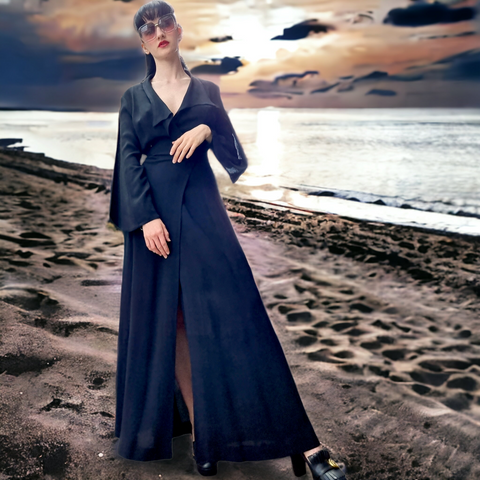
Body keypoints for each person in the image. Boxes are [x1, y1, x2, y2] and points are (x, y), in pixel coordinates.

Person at [108, 1, 347, 479]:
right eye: (147, 27)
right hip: (153, 220)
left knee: (242, 315)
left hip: (202, 210)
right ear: (141, 41)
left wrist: (206, 125)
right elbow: (127, 160)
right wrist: (145, 220)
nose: (157, 31)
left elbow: (235, 155)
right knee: (172, 322)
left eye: (164, 23)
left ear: (178, 30)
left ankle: (306, 443)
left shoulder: (208, 91)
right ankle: (203, 436)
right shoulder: (134, 97)